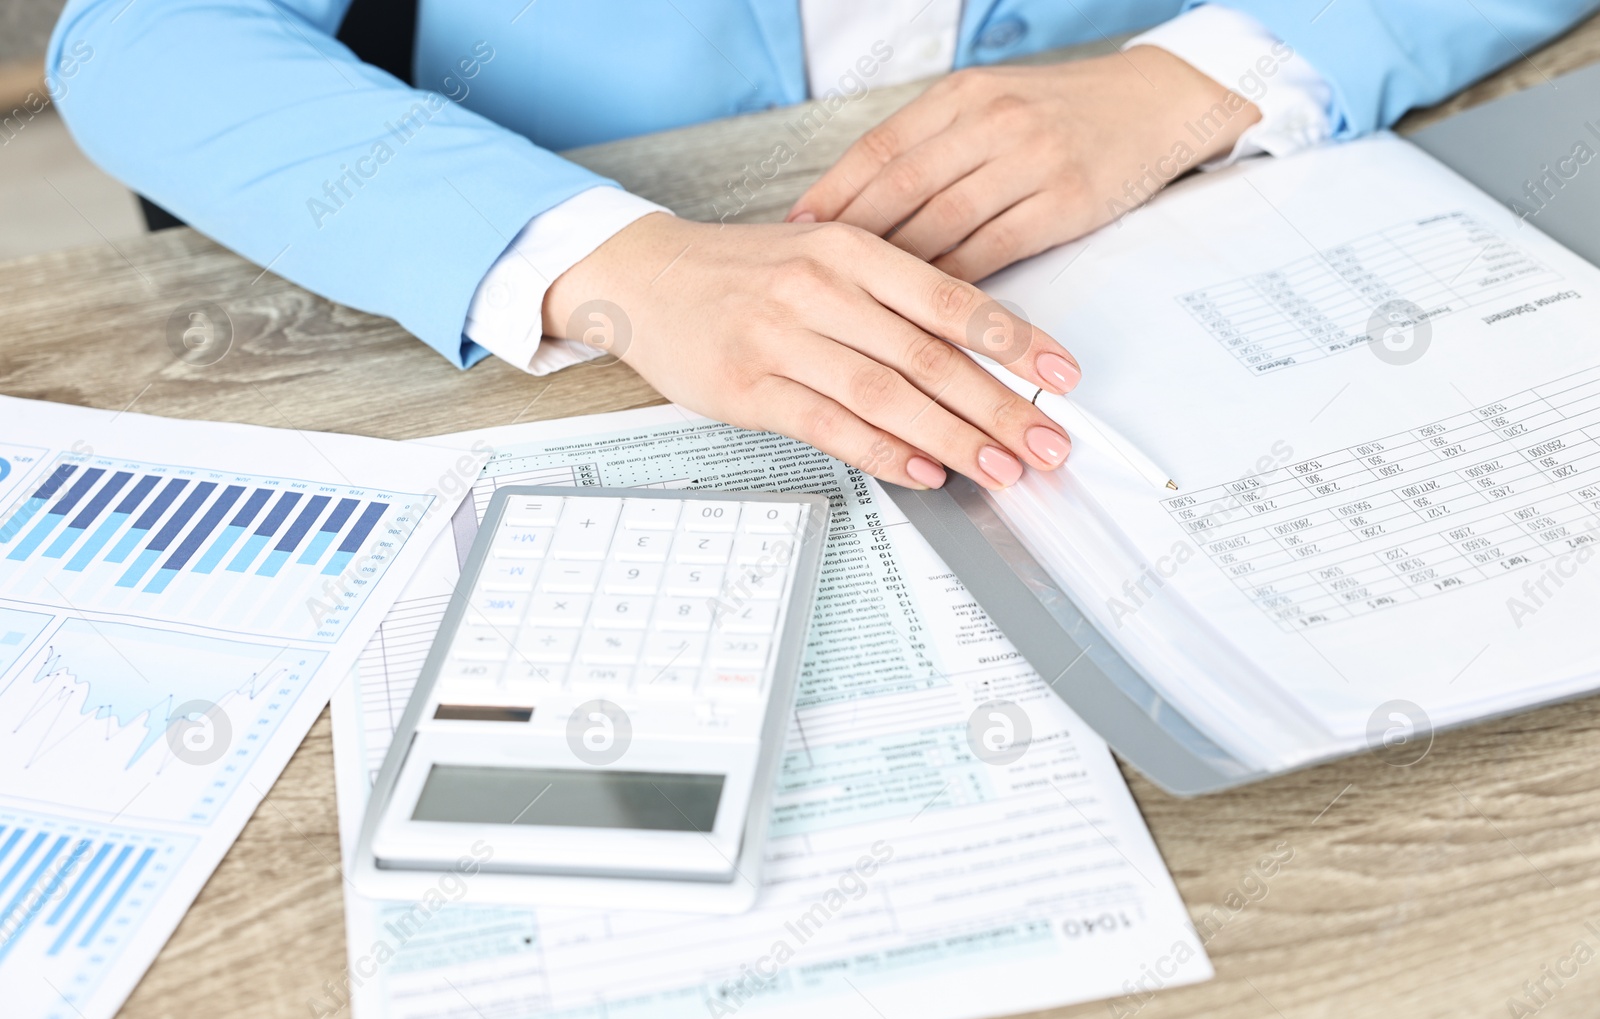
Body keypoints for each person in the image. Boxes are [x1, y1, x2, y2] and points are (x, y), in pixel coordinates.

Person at [49, 1, 1595, 491]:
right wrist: (607, 258)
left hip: (1142, 299)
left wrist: (1201, 72)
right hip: (565, 377)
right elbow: (140, 39)